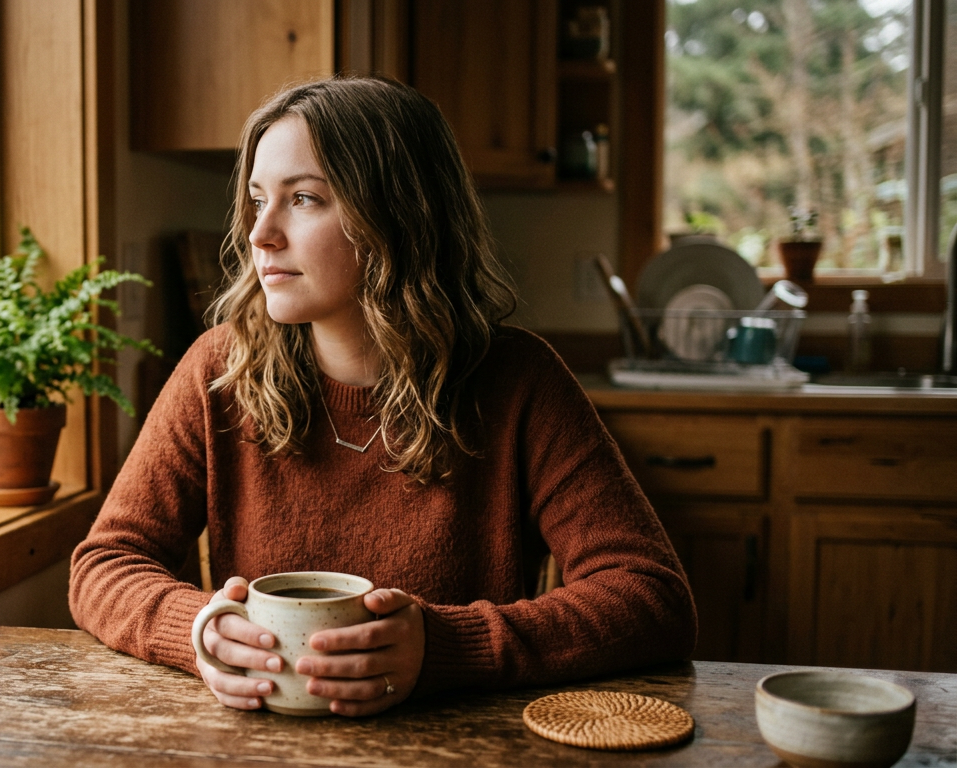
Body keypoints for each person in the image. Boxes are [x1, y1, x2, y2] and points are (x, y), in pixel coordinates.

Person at [69, 76, 696, 717]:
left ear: (400, 216)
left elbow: (652, 596)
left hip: (459, 745)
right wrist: (198, 630)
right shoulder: (220, 369)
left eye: (304, 199)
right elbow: (104, 565)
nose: (261, 234)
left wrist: (450, 646)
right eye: (258, 200)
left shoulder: (519, 381)